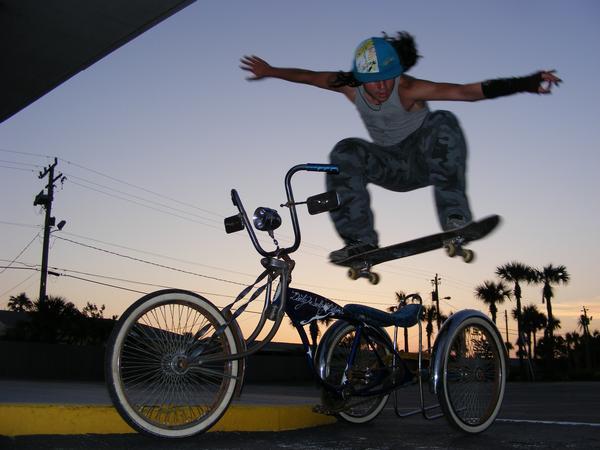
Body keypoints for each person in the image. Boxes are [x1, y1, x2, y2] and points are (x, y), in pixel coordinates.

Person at [240, 32, 561, 262]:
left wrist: (527, 83)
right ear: (358, 78)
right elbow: (308, 76)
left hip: (425, 159)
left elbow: (466, 92)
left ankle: (455, 220)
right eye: (373, 80)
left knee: (443, 120)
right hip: (390, 167)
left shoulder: (408, 88)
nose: (381, 88)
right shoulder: (347, 85)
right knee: (346, 150)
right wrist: (270, 71)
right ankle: (359, 242)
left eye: (387, 79)